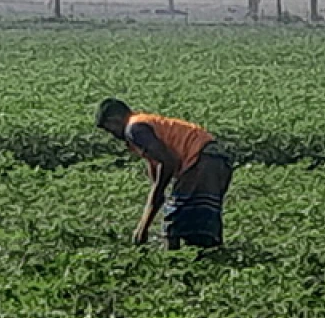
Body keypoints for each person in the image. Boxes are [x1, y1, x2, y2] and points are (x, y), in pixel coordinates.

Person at [95, 98, 233, 250]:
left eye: (109, 129)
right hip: (217, 161)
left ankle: (173, 265)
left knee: (176, 222)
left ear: (114, 119)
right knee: (203, 221)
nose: (112, 135)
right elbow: (157, 192)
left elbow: (168, 162)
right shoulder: (146, 128)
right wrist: (144, 225)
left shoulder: (134, 129)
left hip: (202, 161)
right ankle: (204, 264)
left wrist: (143, 227)